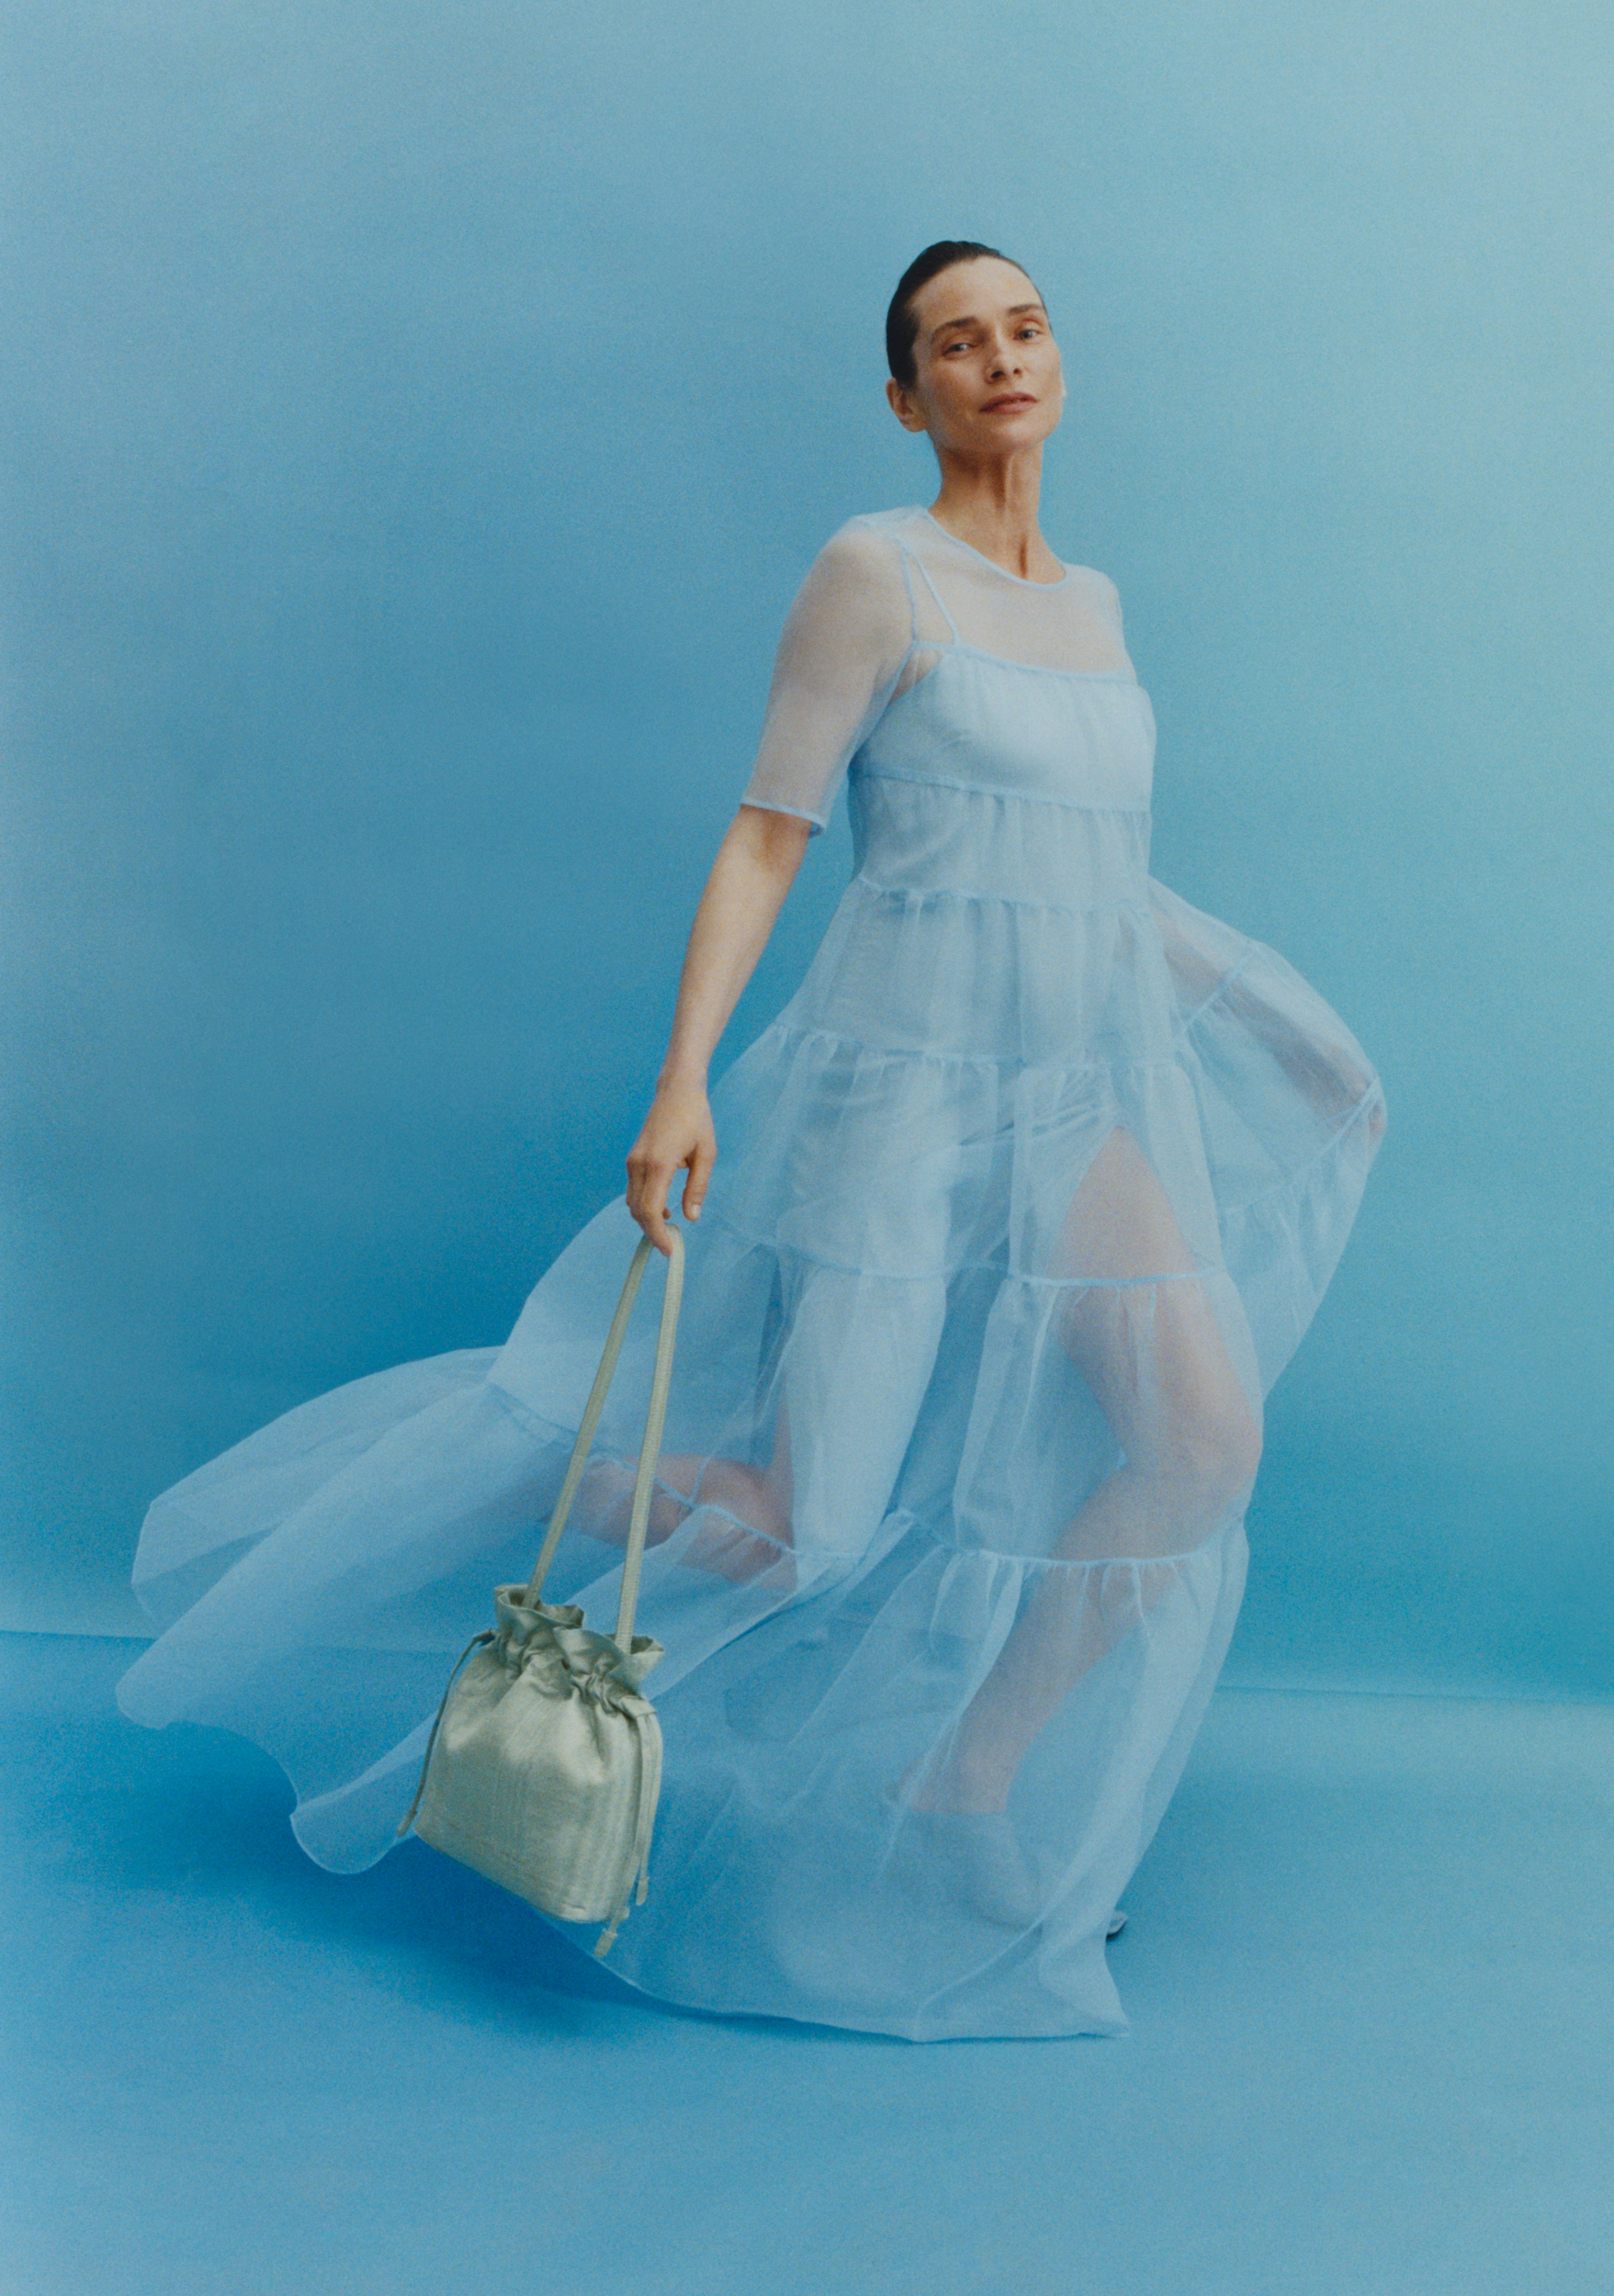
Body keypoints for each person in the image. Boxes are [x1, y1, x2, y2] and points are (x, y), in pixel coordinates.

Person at [117, 242, 1387, 2042]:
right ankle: (497, 1459)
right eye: (957, 343)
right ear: (906, 396)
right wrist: (683, 1079)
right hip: (894, 1103)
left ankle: (960, 1778)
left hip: (1066, 1102)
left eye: (1024, 329)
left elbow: (1091, 885)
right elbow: (769, 833)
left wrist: (1286, 1030)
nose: (1000, 359)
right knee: (802, 1531)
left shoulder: (1095, 604)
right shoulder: (874, 572)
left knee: (1198, 1442)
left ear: (1057, 360)